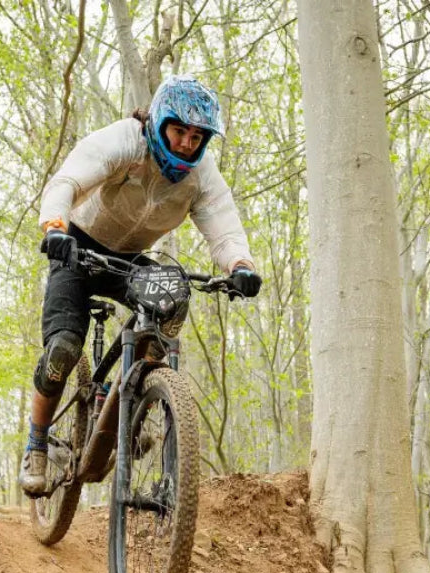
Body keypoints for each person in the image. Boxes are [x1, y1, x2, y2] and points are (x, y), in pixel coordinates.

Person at [20, 75, 262, 496]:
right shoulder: (126, 141)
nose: (187, 142)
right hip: (76, 247)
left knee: (173, 296)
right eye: (179, 130)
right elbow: (68, 181)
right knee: (61, 350)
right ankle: (37, 444)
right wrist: (55, 226)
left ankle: (132, 396)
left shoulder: (201, 174)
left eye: (197, 135)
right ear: (160, 122)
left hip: (128, 261)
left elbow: (223, 226)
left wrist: (240, 264)